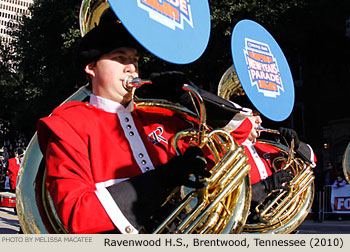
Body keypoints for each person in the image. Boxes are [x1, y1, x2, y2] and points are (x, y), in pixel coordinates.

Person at [36, 10, 214, 234]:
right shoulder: (68, 124)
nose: (131, 67)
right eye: (120, 58)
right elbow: (77, 215)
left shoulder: (159, 116)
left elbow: (233, 137)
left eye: (135, 60)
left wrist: (190, 96)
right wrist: (163, 179)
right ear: (91, 68)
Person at [225, 111, 316, 222]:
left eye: (260, 116)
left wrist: (296, 145)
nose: (260, 120)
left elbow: (311, 162)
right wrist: (265, 186)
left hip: (276, 222)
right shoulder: (227, 149)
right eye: (253, 115)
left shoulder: (268, 148)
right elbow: (226, 197)